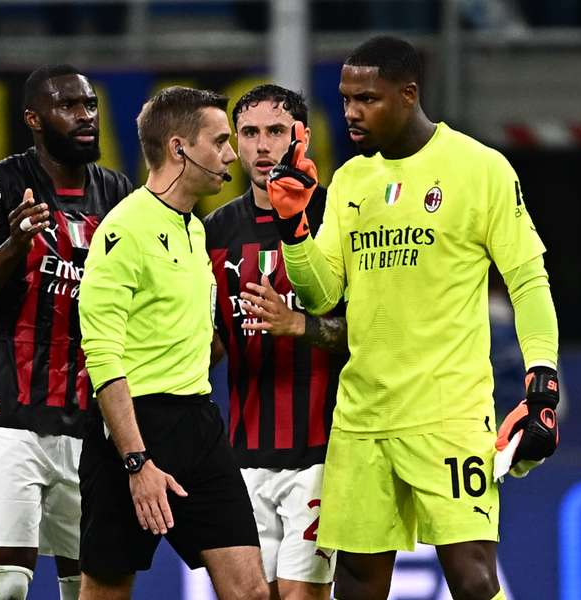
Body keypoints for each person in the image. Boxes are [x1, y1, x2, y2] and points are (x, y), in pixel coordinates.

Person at [266, 36, 561, 600]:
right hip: (363, 417)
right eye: (346, 97)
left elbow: (528, 280)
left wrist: (541, 383)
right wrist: (294, 229)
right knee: (356, 582)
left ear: (409, 94)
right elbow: (322, 292)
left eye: (367, 99)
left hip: (447, 412)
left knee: (474, 580)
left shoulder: (479, 169)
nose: (351, 111)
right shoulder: (352, 181)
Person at [77, 86, 268, 600]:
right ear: (180, 148)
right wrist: (136, 463)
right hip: (132, 431)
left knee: (251, 591)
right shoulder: (123, 231)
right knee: (108, 590)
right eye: (221, 141)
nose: (232, 155)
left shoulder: (194, 231)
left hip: (199, 424)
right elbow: (102, 355)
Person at [0, 64, 132, 600]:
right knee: (6, 584)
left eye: (91, 105)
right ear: (33, 118)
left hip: (88, 420)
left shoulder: (118, 192)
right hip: (9, 412)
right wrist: (14, 247)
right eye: (69, 106)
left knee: (85, 585)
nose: (86, 117)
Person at [203, 84, 347, 600]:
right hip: (241, 456)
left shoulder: (336, 217)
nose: (262, 147)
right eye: (249, 133)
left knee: (300, 595)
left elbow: (370, 334)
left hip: (319, 454)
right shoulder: (214, 232)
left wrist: (300, 325)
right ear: (235, 144)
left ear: (300, 137)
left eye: (276, 132)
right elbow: (211, 341)